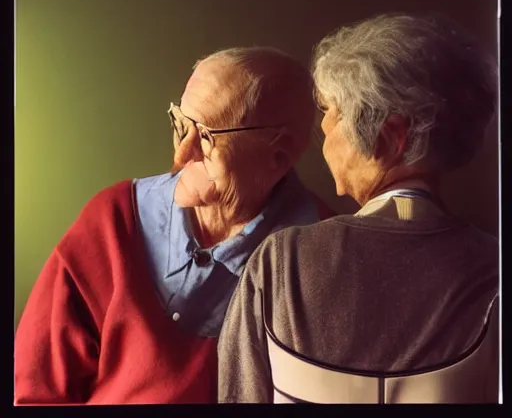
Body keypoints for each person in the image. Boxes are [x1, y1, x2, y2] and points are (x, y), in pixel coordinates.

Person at [14, 46, 334, 404]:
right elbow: (36, 388)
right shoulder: (114, 217)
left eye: (208, 137)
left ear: (280, 154)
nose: (181, 155)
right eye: (181, 124)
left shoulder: (324, 256)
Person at [218, 14, 499, 404]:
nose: (325, 131)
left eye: (332, 111)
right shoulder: (496, 272)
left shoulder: (280, 264)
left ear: (390, 136)